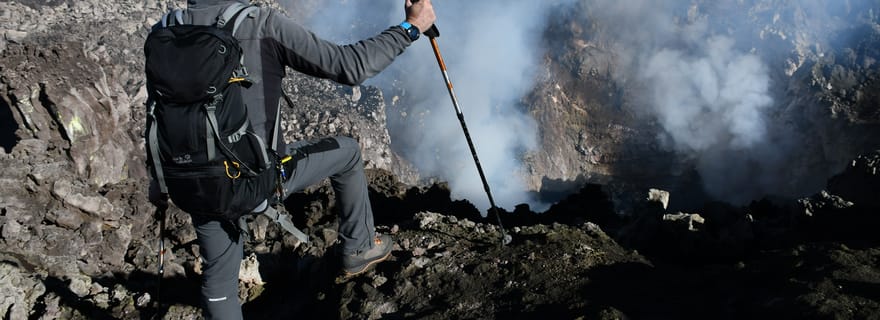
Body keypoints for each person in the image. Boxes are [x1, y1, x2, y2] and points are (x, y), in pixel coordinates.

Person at [147, 0, 436, 318]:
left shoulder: (166, 29)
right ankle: (359, 248)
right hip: (259, 179)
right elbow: (350, 66)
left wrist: (158, 181)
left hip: (192, 182)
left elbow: (158, 115)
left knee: (219, 288)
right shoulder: (260, 24)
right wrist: (410, 28)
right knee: (348, 151)